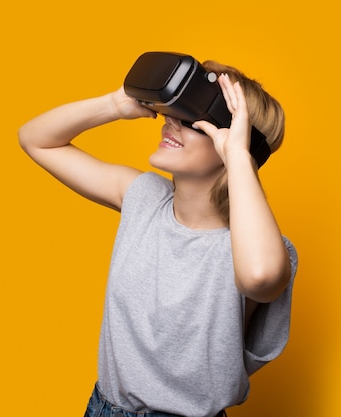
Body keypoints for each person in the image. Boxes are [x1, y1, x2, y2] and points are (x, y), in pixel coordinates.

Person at [18, 57, 298, 417]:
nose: (171, 122)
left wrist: (238, 157)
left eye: (191, 120)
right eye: (173, 112)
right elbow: (36, 140)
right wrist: (115, 104)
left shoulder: (263, 250)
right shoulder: (144, 197)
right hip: (103, 407)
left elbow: (259, 276)